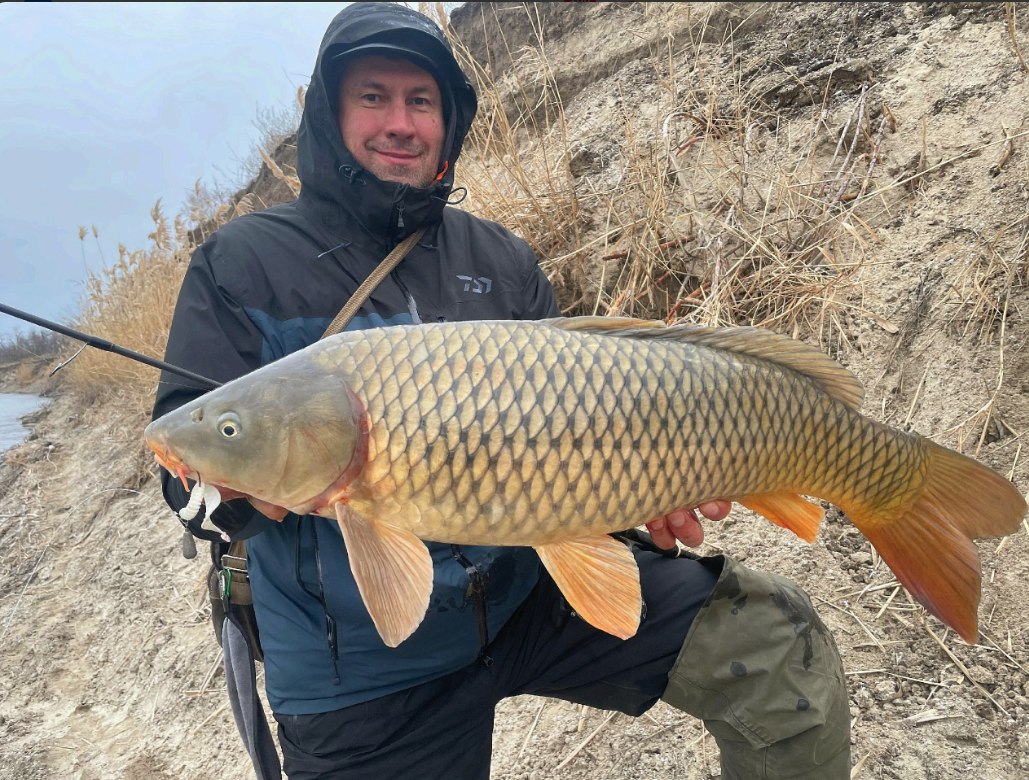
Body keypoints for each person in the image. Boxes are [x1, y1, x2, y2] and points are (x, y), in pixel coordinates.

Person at [152, 4, 850, 778]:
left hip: (530, 596)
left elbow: (578, 445)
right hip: (358, 670)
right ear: (328, 113)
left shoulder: (500, 258)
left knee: (776, 642)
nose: (400, 122)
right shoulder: (240, 263)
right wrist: (257, 488)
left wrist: (643, 497)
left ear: (448, 125)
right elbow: (183, 485)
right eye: (373, 96)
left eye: (422, 102)